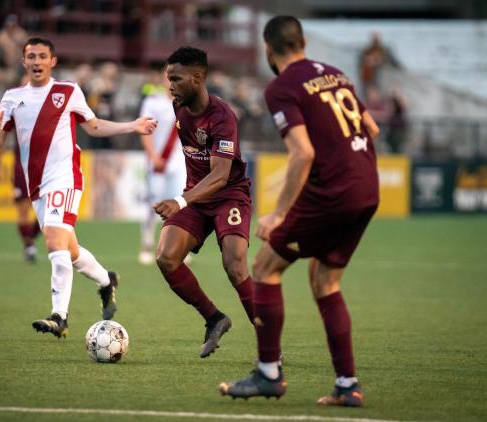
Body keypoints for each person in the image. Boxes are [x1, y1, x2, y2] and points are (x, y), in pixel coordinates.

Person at [219, 16, 380, 407]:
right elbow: (371, 128)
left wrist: (277, 214)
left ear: (267, 50)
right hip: (368, 186)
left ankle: (269, 373)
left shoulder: (282, 86)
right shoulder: (337, 74)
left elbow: (303, 152)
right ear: (303, 42)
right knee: (325, 280)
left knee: (264, 266)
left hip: (334, 189)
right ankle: (347, 385)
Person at [0, 37, 156, 338]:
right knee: (70, 250)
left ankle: (59, 316)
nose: (36, 61)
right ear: (24, 62)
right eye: (31, 57)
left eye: (42, 56)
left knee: (53, 242)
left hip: (65, 177)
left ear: (53, 61)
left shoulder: (68, 91)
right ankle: (107, 281)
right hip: (35, 185)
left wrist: (132, 126)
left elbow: (93, 126)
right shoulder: (12, 97)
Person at [153, 46, 254, 358]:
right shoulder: (178, 107)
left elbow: (221, 175)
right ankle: (215, 318)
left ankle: (269, 345)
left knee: (234, 265)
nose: (170, 85)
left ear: (198, 78)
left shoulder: (223, 118)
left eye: (176, 79)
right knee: (166, 257)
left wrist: (181, 202)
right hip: (197, 198)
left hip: (228, 196)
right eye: (168, 78)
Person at [137, 70, 187, 265]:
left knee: (179, 206)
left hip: (179, 162)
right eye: (169, 77)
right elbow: (145, 131)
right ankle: (146, 244)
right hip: (158, 162)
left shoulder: (188, 103)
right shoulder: (153, 101)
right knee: (154, 204)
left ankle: (175, 248)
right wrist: (153, 156)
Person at [0, 138, 41, 263]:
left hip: (43, 170)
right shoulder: (16, 119)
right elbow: (4, 138)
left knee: (44, 212)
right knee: (23, 210)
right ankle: (29, 246)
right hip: (21, 171)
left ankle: (29, 238)